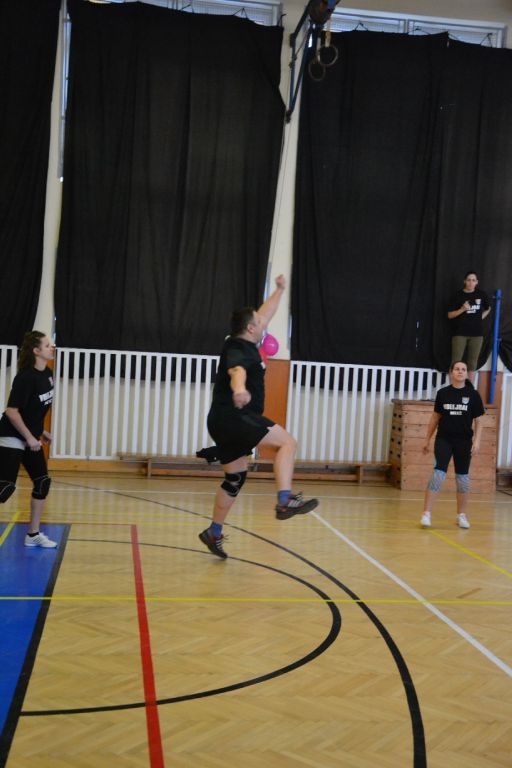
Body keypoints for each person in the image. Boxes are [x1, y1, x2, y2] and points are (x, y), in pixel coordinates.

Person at [198, 275, 318, 558]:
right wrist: (239, 389)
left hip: (220, 420)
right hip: (236, 416)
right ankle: (285, 499)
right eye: (259, 322)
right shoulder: (239, 350)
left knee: (235, 478)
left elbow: (266, 312)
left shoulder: (239, 340)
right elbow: (236, 370)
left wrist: (279, 290)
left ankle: (214, 531)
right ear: (251, 328)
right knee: (287, 443)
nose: (264, 322)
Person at [0, 331, 57, 547]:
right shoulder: (25, 378)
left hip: (30, 436)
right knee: (5, 489)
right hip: (11, 435)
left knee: (42, 482)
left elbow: (35, 409)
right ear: (36, 351)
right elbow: (12, 412)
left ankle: (33, 535)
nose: (52, 348)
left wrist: (41, 432)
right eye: (47, 345)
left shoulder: (47, 374)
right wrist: (30, 438)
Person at [420, 360, 484, 530]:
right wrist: (427, 439)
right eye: (457, 369)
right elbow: (435, 418)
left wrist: (477, 441)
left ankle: (461, 515)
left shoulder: (473, 395)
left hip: (464, 442)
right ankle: (426, 513)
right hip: (444, 440)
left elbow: (479, 421)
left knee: (462, 478)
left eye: (463, 369)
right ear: (451, 372)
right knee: (438, 474)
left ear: (466, 373)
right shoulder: (443, 393)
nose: (460, 371)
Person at [447, 271, 491, 382]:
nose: (471, 282)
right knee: (456, 362)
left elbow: (488, 308)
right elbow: (450, 315)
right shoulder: (458, 295)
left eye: (473, 280)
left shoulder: (481, 294)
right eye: (469, 280)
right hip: (460, 333)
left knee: (472, 363)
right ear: (464, 281)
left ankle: (469, 389)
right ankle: (453, 388)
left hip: (477, 334)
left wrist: (479, 318)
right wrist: (462, 309)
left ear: (477, 282)